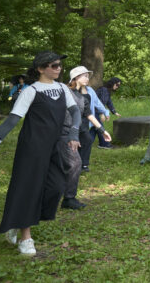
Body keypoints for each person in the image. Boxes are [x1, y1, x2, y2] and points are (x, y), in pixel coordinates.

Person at [0, 51, 78, 257]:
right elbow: (12, 120)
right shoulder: (31, 91)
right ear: (41, 69)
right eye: (54, 65)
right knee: (29, 189)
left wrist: (74, 132)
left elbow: (75, 111)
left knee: (56, 187)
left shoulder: (63, 88)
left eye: (59, 65)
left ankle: (17, 220)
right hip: (32, 148)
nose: (59, 68)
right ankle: (25, 237)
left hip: (55, 146)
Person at [63, 66, 111, 210]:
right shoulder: (65, 92)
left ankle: (68, 198)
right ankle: (66, 197)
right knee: (72, 164)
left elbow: (89, 114)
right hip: (63, 132)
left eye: (87, 76)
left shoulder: (83, 96)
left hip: (78, 131)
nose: (87, 78)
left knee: (76, 161)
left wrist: (102, 130)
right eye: (84, 75)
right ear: (75, 77)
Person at [94, 77, 121, 149]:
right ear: (112, 83)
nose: (117, 87)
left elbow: (109, 102)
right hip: (94, 111)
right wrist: (102, 113)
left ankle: (100, 143)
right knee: (100, 127)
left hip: (95, 111)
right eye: (117, 85)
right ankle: (104, 144)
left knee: (95, 128)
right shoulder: (104, 90)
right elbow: (101, 103)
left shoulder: (107, 91)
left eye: (119, 86)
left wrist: (114, 112)